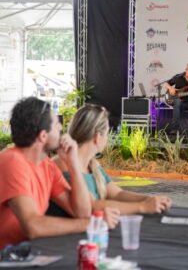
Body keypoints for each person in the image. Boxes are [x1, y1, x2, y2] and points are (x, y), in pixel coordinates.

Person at [0, 97, 119, 250]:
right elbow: (32, 226)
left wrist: (73, 163)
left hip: (25, 253)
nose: (61, 127)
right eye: (56, 124)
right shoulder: (12, 162)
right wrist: (94, 223)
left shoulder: (46, 166)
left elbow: (82, 212)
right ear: (43, 136)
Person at [50, 103, 172, 215]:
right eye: (107, 133)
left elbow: (117, 194)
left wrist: (149, 200)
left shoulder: (92, 165)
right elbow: (92, 206)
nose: (107, 138)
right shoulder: (64, 165)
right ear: (97, 137)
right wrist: (142, 207)